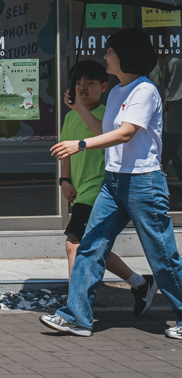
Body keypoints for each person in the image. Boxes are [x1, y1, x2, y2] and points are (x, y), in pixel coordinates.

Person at [43, 29, 182, 339]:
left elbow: (125, 133)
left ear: (125, 56)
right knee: (90, 246)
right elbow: (104, 132)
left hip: (143, 182)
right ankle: (76, 317)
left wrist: (79, 145)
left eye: (110, 51)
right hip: (113, 181)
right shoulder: (118, 91)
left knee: (162, 255)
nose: (105, 55)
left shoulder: (144, 91)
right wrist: (79, 108)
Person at [56, 60, 152, 305]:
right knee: (93, 245)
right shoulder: (70, 117)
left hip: (100, 188)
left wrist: (80, 109)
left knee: (74, 243)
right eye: (78, 83)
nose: (82, 87)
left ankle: (75, 304)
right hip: (80, 189)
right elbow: (66, 150)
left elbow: (106, 136)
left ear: (103, 87)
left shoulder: (108, 116)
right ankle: (140, 284)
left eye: (90, 83)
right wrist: (64, 180)